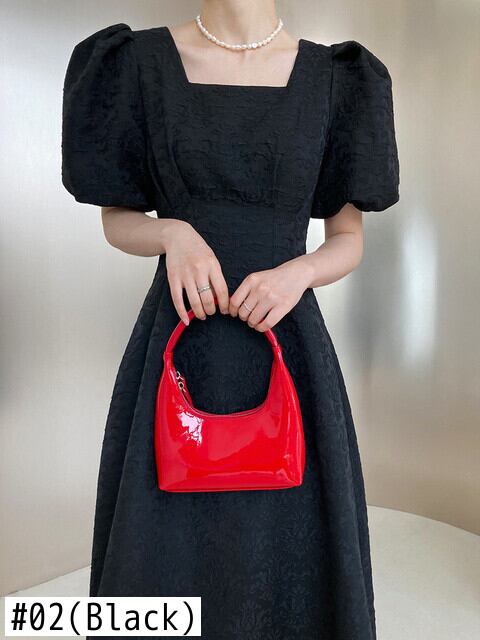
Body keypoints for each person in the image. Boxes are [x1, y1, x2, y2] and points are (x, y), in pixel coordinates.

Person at [61, 1, 399, 638]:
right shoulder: (137, 63)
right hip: (181, 345)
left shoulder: (336, 77)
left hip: (288, 343)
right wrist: (172, 235)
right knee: (165, 543)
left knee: (291, 542)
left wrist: (298, 272)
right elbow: (116, 220)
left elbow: (348, 239)